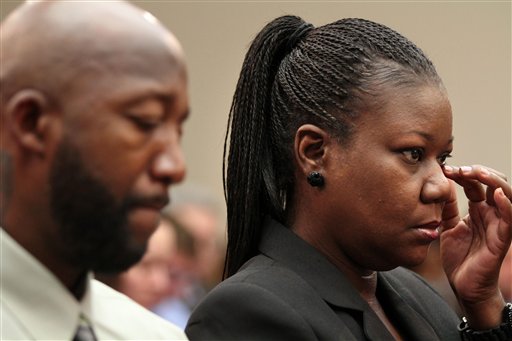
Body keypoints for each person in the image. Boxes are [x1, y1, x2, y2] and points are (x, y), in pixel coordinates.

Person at [185, 15, 512, 340]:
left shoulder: (419, 297)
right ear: (315, 152)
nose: (442, 186)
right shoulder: (248, 312)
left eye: (442, 158)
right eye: (413, 154)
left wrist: (483, 303)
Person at [0, 1, 189, 340]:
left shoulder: (156, 336)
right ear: (31, 124)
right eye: (144, 122)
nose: (175, 167)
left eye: (178, 132)